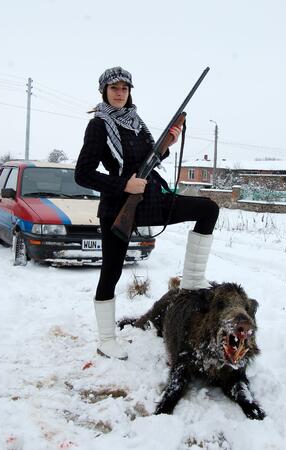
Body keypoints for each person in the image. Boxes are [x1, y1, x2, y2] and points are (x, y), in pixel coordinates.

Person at [75, 66, 219, 361]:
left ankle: (192, 280)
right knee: (111, 272)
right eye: (114, 88)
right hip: (119, 206)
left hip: (152, 198)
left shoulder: (136, 122)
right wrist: (123, 184)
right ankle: (106, 340)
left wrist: (168, 144)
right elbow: (83, 174)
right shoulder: (99, 125)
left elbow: (148, 159)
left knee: (208, 209)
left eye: (124, 88)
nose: (119, 93)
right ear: (104, 91)